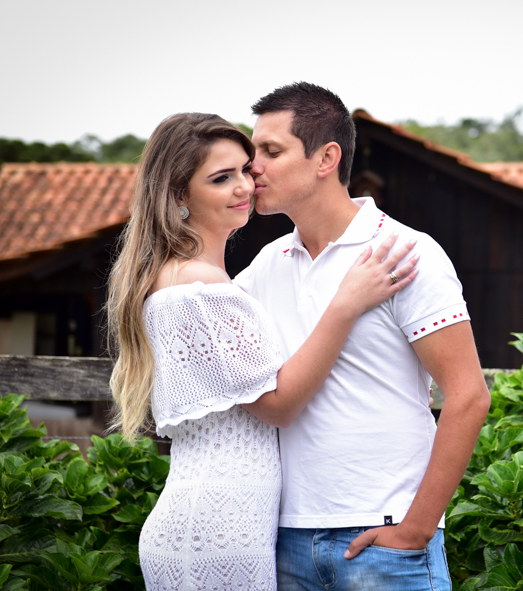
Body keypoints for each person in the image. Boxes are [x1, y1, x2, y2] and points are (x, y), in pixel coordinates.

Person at [105, 112, 419, 591]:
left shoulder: (208, 280)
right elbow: (279, 405)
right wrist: (346, 304)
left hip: (223, 518)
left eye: (245, 171)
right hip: (219, 525)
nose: (244, 187)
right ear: (178, 195)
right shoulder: (198, 286)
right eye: (220, 178)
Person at [234, 82, 491, 590]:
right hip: (285, 537)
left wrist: (417, 528)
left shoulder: (405, 251)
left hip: (387, 537)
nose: (252, 168)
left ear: (326, 157)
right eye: (251, 153)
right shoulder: (265, 266)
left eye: (271, 151)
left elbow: (468, 396)